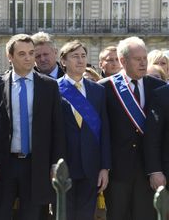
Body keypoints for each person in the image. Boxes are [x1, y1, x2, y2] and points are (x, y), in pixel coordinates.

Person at [0, 34, 66, 220]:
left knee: (32, 215)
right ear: (9, 56)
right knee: (0, 212)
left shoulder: (49, 86)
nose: (28, 58)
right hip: (5, 163)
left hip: (36, 164)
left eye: (31, 53)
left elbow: (57, 128)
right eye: (22, 54)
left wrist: (55, 164)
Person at [99, 36, 166, 220]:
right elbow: (102, 132)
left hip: (149, 171)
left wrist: (156, 169)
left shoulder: (159, 87)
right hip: (118, 172)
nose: (143, 63)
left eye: (145, 58)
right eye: (138, 59)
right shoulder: (105, 88)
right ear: (123, 61)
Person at [57, 40, 111, 220]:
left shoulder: (98, 90)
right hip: (63, 166)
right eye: (74, 56)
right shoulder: (52, 88)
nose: (80, 61)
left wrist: (105, 167)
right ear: (63, 61)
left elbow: (104, 132)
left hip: (91, 166)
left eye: (83, 56)